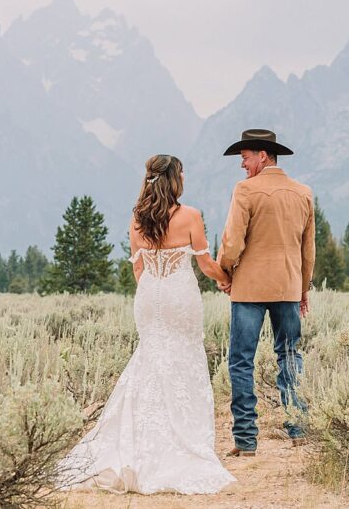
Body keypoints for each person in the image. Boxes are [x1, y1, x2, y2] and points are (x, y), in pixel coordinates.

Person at [58, 154, 236, 495]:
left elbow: (138, 269)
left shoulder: (138, 220)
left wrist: (153, 292)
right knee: (182, 360)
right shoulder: (190, 216)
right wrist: (226, 280)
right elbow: (207, 265)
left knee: (151, 360)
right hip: (179, 297)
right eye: (182, 172)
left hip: (150, 296)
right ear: (174, 178)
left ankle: (137, 438)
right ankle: (181, 438)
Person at [218, 129, 315, 457]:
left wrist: (225, 272)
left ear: (263, 155)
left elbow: (232, 242)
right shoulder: (303, 192)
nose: (242, 165)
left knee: (241, 360)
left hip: (249, 289)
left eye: (244, 158)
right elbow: (308, 250)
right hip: (288, 287)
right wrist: (303, 289)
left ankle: (246, 440)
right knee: (289, 355)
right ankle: (297, 427)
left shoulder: (246, 190)